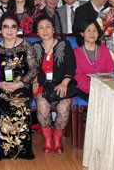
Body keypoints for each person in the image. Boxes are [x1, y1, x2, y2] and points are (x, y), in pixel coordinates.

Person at [0, 12, 37, 159]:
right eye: (5, 26)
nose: (9, 30)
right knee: (2, 104)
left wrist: (19, 84)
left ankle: (22, 150)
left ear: (17, 28)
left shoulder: (26, 45)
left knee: (19, 106)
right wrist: (0, 84)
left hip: (22, 87)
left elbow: (33, 70)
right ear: (0, 29)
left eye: (13, 26)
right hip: (2, 87)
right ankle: (5, 150)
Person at [32, 16, 76, 154]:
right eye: (41, 27)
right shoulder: (35, 47)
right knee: (42, 106)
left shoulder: (65, 45)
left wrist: (64, 82)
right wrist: (34, 81)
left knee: (63, 108)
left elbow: (71, 67)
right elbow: (32, 68)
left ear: (53, 29)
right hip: (42, 86)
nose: (45, 30)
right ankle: (48, 139)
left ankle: (57, 138)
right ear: (37, 32)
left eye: (48, 26)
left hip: (63, 84)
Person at [73, 19, 114, 102]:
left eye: (95, 30)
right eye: (88, 30)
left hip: (105, 88)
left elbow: (111, 72)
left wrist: (105, 87)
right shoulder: (75, 52)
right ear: (82, 33)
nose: (92, 33)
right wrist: (94, 88)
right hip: (85, 90)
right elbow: (78, 77)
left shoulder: (104, 50)